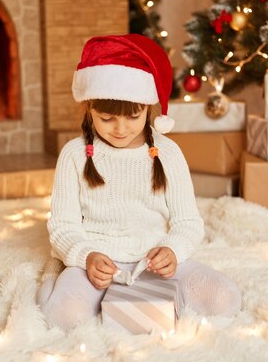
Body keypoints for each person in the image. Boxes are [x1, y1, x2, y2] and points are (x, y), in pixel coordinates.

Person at [36, 34, 241, 330]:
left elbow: (188, 222)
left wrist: (172, 250)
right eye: (106, 118)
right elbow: (62, 226)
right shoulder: (74, 155)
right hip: (95, 263)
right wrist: (86, 256)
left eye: (133, 117)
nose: (120, 129)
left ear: (147, 108)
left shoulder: (167, 153)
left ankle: (140, 300)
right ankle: (57, 283)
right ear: (89, 108)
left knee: (225, 299)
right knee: (62, 317)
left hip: (154, 263)